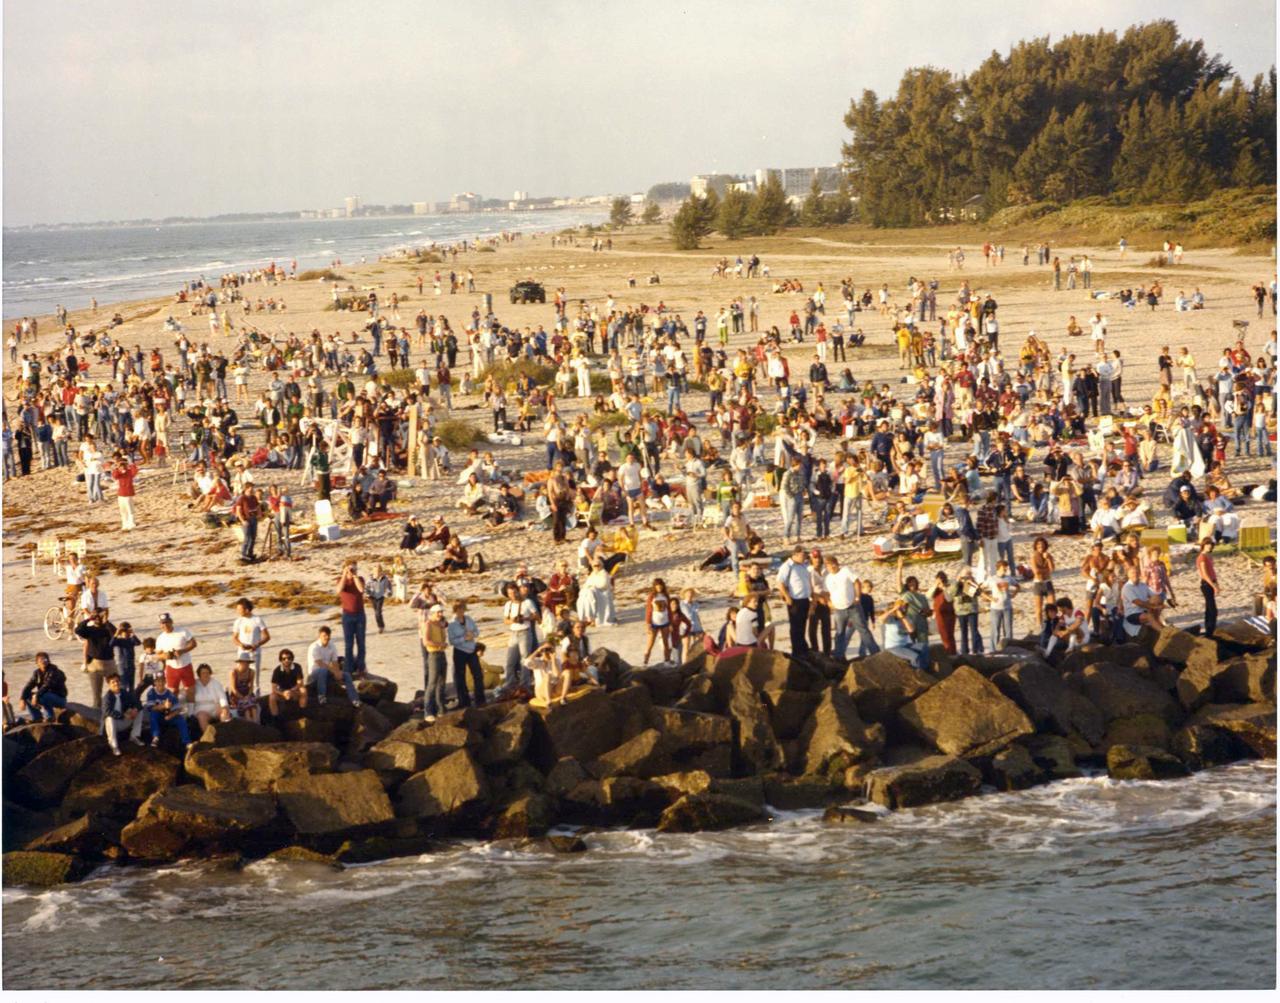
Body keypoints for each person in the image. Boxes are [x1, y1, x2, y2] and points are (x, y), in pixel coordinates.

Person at [74, 608, 117, 709]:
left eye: (99, 615)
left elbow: (115, 634)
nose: (98, 618)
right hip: (95, 664)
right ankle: (97, 713)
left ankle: (115, 708)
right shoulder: (90, 630)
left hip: (109, 663)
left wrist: (106, 621)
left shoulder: (107, 629)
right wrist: (89, 619)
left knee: (117, 690)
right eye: (95, 616)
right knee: (97, 695)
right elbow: (78, 630)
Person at [447, 600, 485, 708]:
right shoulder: (452, 624)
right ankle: (464, 701)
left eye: (462, 609)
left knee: (478, 674)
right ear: (455, 610)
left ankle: (480, 700)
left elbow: (477, 631)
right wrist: (464, 638)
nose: (461, 611)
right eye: (458, 609)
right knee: (460, 677)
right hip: (460, 651)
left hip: (471, 650)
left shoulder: (469, 619)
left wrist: (472, 635)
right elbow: (451, 641)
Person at [776, 546, 813, 656]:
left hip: (805, 598)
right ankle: (797, 651)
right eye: (803, 555)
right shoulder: (787, 566)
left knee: (802, 625)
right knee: (796, 626)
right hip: (795, 599)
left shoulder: (804, 565)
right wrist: (787, 597)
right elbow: (780, 583)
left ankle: (802, 647)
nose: (805, 557)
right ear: (795, 554)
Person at [308, 625, 359, 705]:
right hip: (314, 673)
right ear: (319, 636)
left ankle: (354, 699)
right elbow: (320, 663)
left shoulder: (331, 645)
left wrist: (338, 672)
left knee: (346, 675)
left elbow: (335, 661)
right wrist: (334, 672)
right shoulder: (314, 647)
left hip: (327, 671)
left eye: (328, 635)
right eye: (324, 635)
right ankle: (321, 696)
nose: (326, 637)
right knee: (323, 671)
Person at [156, 612, 198, 704]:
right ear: (160, 625)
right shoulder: (160, 638)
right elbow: (158, 655)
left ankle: (191, 711)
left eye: (167, 622)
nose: (165, 625)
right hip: (171, 668)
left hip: (185, 665)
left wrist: (182, 651)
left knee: (190, 690)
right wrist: (166, 655)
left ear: (172, 622)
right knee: (173, 691)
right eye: (163, 623)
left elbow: (194, 643)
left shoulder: (182, 631)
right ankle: (174, 710)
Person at [336, 560, 368, 676]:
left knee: (361, 643)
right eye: (350, 568)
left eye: (354, 568)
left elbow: (361, 589)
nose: (352, 570)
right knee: (348, 644)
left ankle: (361, 668)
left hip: (360, 614)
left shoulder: (360, 579)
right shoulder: (341, 580)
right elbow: (338, 590)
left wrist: (354, 576)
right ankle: (348, 669)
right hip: (347, 615)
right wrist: (345, 575)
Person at [231, 598, 270, 692]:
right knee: (240, 675)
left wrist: (256, 645)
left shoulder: (257, 620)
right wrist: (241, 645)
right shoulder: (238, 621)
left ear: (247, 610)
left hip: (254, 653)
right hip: (242, 654)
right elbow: (234, 638)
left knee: (255, 676)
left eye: (239, 609)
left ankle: (255, 695)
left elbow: (267, 636)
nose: (238, 611)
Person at [100, 673, 144, 754]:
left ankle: (134, 736)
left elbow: (138, 703)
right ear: (109, 685)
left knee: (139, 711)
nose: (116, 683)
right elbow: (107, 711)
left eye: (117, 681)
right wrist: (123, 715)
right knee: (109, 718)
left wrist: (135, 709)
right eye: (113, 682)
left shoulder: (124, 693)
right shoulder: (107, 697)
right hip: (113, 724)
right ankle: (113, 745)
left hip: (124, 721)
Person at [144, 672, 190, 748]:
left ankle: (187, 742)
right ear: (154, 682)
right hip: (158, 717)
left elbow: (178, 709)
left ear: (165, 682)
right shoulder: (151, 692)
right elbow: (150, 707)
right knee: (153, 714)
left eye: (162, 681)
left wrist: (171, 715)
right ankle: (155, 737)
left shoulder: (170, 694)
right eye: (158, 681)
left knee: (181, 719)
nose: (160, 683)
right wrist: (163, 706)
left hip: (169, 717)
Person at [420, 603, 449, 721]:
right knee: (432, 683)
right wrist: (439, 644)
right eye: (438, 612)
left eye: (441, 612)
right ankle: (428, 712)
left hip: (441, 653)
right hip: (433, 654)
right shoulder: (428, 624)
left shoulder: (440, 624)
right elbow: (426, 641)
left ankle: (441, 709)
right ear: (433, 613)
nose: (440, 614)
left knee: (441, 683)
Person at [18, 652, 67, 721]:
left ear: (48, 661)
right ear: (37, 663)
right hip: (44, 695)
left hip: (59, 699)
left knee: (45, 695)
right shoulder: (37, 673)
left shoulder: (54, 671)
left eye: (45, 659)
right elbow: (28, 686)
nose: (43, 662)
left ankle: (50, 716)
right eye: (41, 660)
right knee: (27, 695)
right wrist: (22, 699)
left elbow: (47, 685)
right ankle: (37, 717)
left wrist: (36, 696)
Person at [191, 663, 231, 732]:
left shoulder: (215, 683)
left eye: (207, 673)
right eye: (203, 673)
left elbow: (222, 697)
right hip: (201, 709)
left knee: (224, 713)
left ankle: (226, 734)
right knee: (202, 717)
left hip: (215, 707)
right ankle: (209, 736)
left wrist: (224, 707)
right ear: (199, 674)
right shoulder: (194, 684)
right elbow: (185, 695)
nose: (205, 675)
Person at [268, 648, 307, 718]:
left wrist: (291, 691)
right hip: (282, 691)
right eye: (284, 659)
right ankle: (275, 718)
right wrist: (283, 693)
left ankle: (302, 714)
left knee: (303, 690)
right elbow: (274, 688)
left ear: (292, 659)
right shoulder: (277, 670)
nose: (287, 660)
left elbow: (300, 683)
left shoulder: (297, 667)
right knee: (272, 697)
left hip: (294, 689)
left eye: (289, 658)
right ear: (281, 660)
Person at [642, 578, 674, 666]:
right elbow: (648, 610)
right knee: (650, 644)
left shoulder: (666, 596)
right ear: (655, 586)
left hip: (665, 622)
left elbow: (669, 610)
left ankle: (667, 661)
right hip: (654, 623)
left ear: (663, 586)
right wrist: (648, 623)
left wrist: (671, 623)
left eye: (660, 585)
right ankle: (645, 662)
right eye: (657, 586)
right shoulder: (652, 596)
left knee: (666, 643)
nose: (659, 587)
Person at [1198, 539, 1219, 638]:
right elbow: (1204, 574)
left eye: (1210, 545)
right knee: (1212, 610)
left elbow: (1212, 571)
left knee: (1209, 608)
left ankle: (1209, 630)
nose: (1209, 546)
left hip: (1211, 582)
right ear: (1203, 545)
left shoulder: (1208, 556)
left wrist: (1216, 583)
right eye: (1207, 545)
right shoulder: (1202, 557)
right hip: (1207, 584)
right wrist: (1213, 586)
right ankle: (1210, 631)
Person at [228, 655, 260, 722]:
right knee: (246, 709)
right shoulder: (234, 672)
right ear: (240, 663)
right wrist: (242, 697)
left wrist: (248, 695)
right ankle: (250, 725)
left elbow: (251, 686)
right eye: (244, 663)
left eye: (248, 663)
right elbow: (233, 689)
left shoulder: (251, 672)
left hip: (247, 693)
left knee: (253, 708)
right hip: (236, 695)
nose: (247, 665)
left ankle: (256, 724)